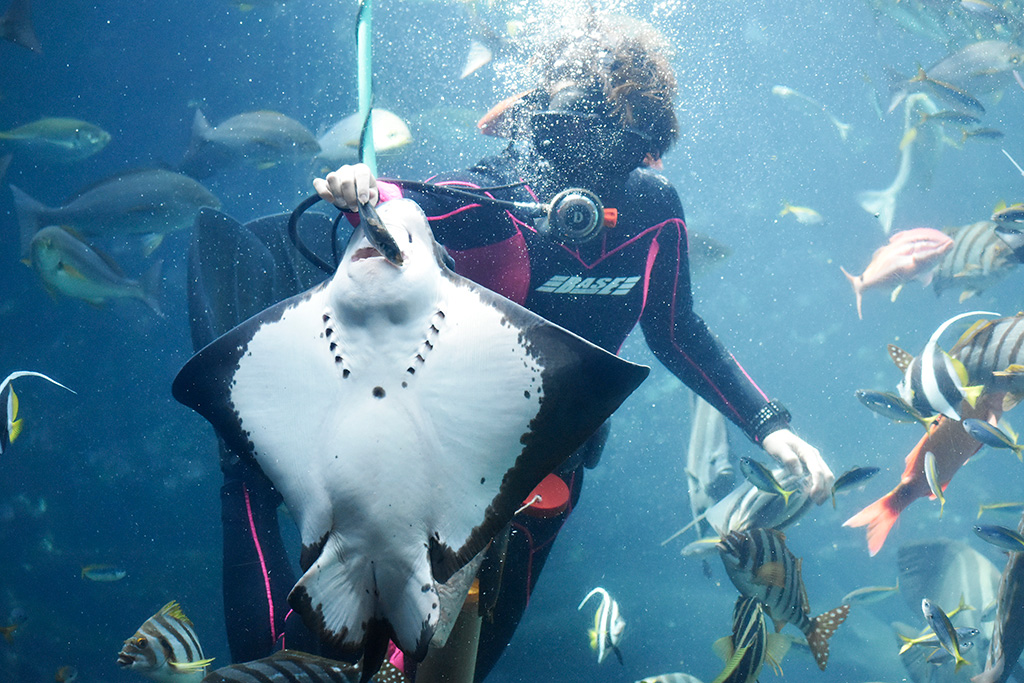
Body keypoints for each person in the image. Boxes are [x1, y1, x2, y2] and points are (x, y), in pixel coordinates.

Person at [310, 14, 834, 678]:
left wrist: (770, 426)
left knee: (462, 665)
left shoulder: (656, 209)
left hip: (552, 473)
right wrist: (359, 189)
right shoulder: (498, 194)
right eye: (572, 140)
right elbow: (407, 203)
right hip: (435, 467)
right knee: (366, 658)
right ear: (544, 129)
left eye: (627, 149)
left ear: (647, 142)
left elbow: (676, 330)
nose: (597, 170)